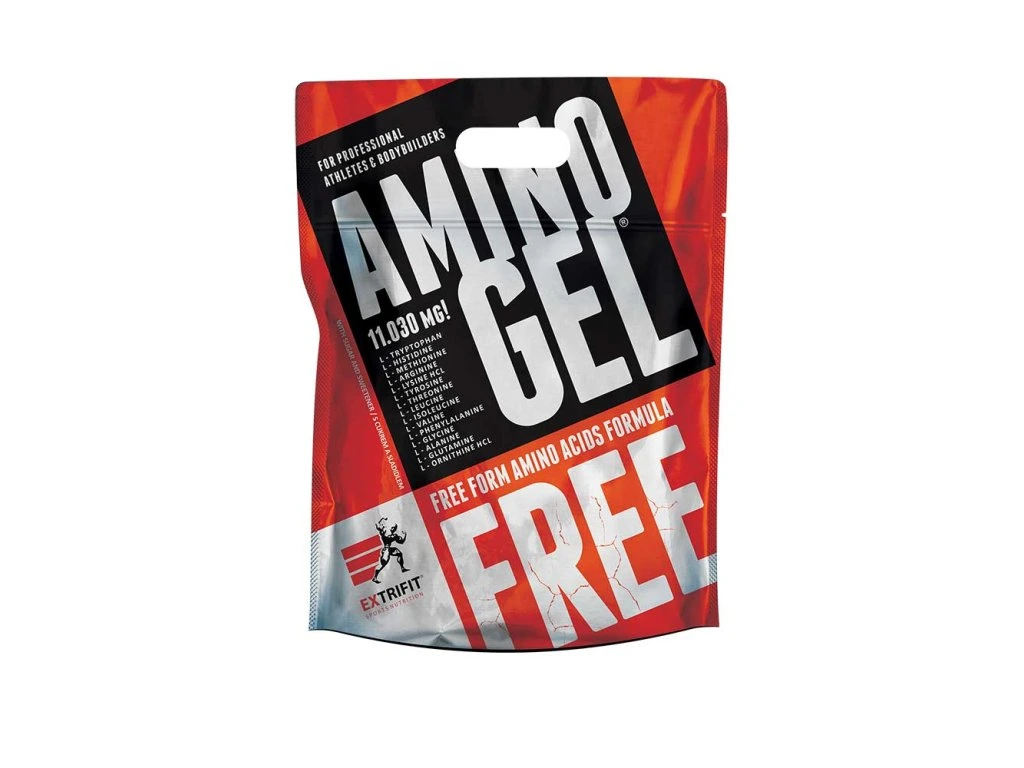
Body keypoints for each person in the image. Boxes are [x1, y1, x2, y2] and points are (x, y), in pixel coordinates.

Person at [371, 517, 409, 583]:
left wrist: (405, 535)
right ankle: (375, 577)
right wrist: (382, 519)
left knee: (399, 553)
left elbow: (401, 542)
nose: (394, 529)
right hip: (386, 550)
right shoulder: (384, 531)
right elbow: (377, 524)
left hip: (389, 549)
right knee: (383, 564)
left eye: (395, 528)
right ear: (390, 527)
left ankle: (402, 568)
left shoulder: (394, 535)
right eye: (393, 528)